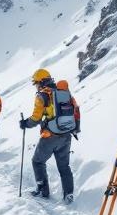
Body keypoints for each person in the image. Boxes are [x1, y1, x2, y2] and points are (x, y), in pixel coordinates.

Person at [19, 69, 78, 204]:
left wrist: (25, 124)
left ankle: (43, 191)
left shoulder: (42, 95)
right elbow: (75, 109)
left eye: (36, 83)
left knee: (38, 162)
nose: (36, 86)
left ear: (40, 82)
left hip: (50, 136)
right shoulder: (63, 92)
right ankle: (68, 194)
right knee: (64, 166)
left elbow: (36, 118)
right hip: (66, 134)